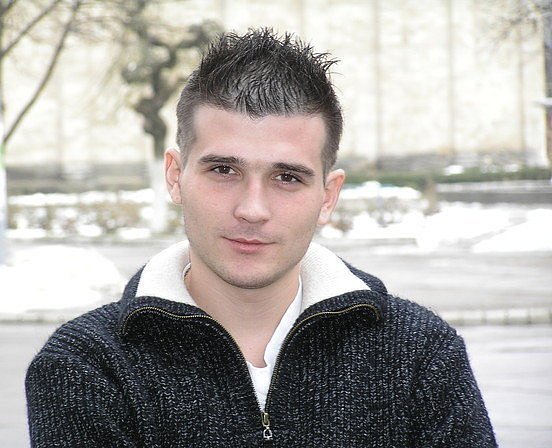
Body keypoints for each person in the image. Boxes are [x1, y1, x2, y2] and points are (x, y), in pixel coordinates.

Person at [25, 28, 497, 447]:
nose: (252, 209)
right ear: (175, 176)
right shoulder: (86, 366)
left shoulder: (420, 354)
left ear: (328, 196)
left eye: (287, 177)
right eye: (223, 170)